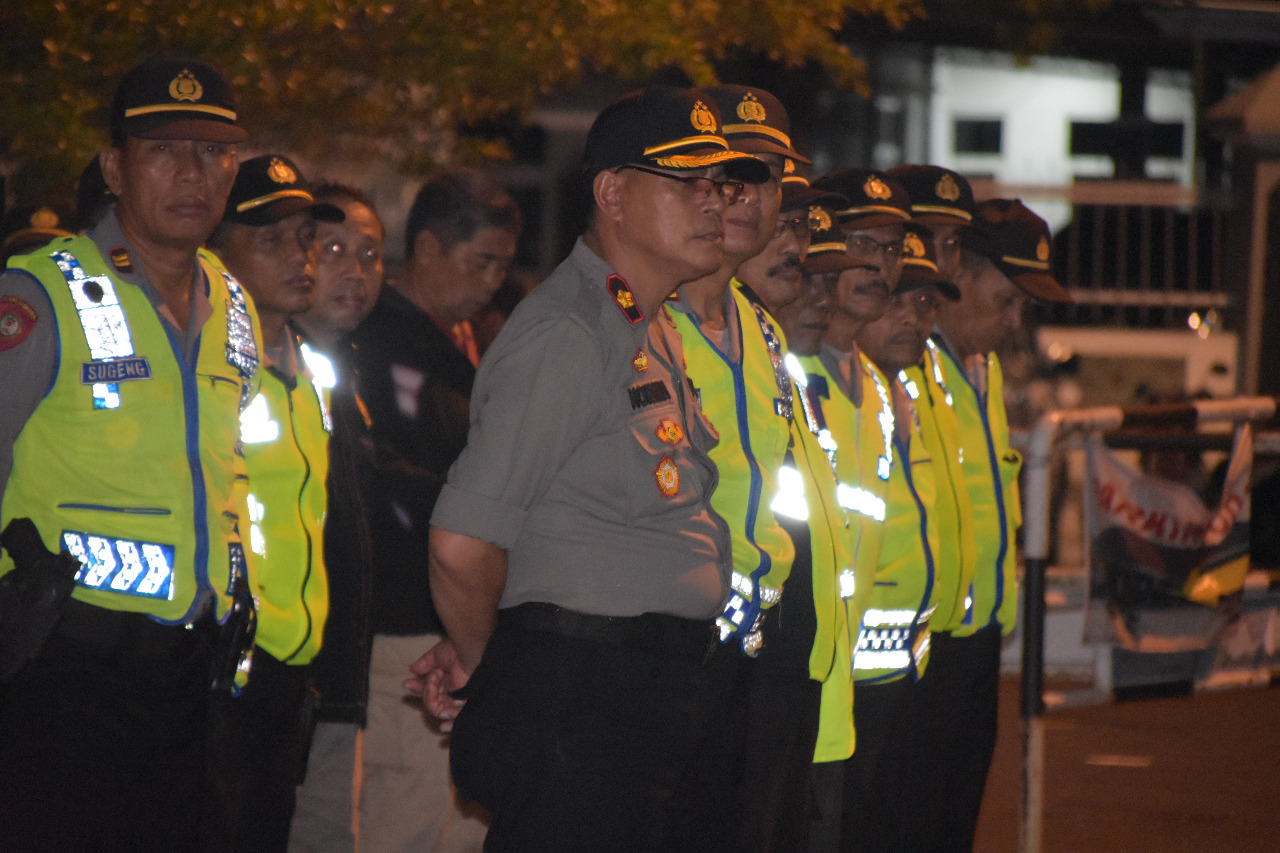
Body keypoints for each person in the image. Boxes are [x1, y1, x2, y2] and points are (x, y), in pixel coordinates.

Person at [406, 85, 768, 851]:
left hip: (639, 689)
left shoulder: (644, 321)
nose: (715, 204)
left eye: (723, 185)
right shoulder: (570, 330)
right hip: (585, 699)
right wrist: (488, 663)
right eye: (688, 184)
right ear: (612, 193)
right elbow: (461, 542)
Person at [0, 57, 260, 851]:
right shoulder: (44, 290)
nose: (194, 173)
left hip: (195, 674)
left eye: (214, 153)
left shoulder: (231, 297)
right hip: (66, 666)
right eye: (162, 150)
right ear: (114, 167)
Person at [327, 168, 520, 853]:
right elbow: (384, 484)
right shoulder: (376, 345)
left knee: (456, 827)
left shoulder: (459, 342)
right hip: (402, 622)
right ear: (431, 248)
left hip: (449, 619)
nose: (495, 279)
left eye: (504, 263)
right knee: (404, 824)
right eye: (483, 260)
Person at [920, 197, 1072, 852]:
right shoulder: (903, 362)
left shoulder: (976, 368)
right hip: (918, 645)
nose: (1014, 324)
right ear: (957, 269)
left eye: (1023, 309)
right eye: (1005, 299)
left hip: (976, 638)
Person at [202, 153, 340, 851]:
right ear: (216, 249)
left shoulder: (311, 367)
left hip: (292, 670)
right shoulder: (211, 363)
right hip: (221, 669)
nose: (300, 255)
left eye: (307, 237)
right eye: (272, 239)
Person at [287, 182, 386, 853]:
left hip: (339, 677)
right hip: (289, 680)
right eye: (332, 248)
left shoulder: (347, 369)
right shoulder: (262, 359)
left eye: (371, 253)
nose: (354, 270)